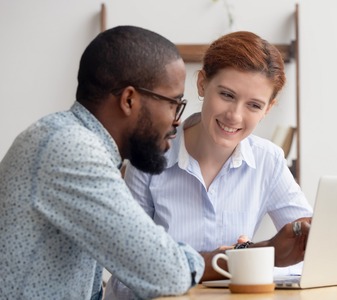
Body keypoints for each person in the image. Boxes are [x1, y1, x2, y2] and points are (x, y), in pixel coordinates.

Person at [0, 26, 204, 299]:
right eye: (174, 103)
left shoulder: (68, 140)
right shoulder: (70, 147)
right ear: (129, 100)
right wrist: (212, 260)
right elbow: (166, 272)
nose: (177, 120)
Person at [106, 30, 313, 298]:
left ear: (268, 109)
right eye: (227, 95)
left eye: (253, 105)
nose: (234, 116)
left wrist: (303, 240)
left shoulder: (268, 159)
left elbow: (309, 241)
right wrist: (244, 258)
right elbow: (128, 266)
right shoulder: (149, 156)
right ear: (203, 84)